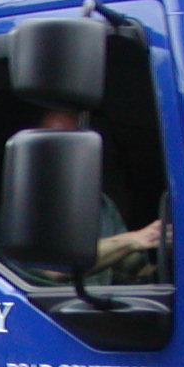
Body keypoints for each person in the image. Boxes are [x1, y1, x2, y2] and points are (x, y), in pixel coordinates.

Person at [33, 106, 162, 282]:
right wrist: (133, 240)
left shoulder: (100, 202)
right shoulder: (24, 203)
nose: (67, 150)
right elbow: (54, 267)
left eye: (74, 141)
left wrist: (160, 246)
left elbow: (125, 266)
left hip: (96, 298)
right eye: (57, 142)